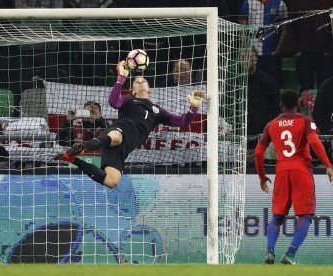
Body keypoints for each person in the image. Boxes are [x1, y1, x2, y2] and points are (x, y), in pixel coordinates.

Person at [54, 60, 203, 189]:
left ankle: (72, 159)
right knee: (117, 136)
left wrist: (194, 108)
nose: (139, 81)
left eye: (143, 80)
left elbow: (182, 121)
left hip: (122, 150)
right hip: (115, 133)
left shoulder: (157, 110)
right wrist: (121, 78)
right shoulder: (129, 100)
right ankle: (82, 148)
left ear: (150, 89)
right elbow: (113, 102)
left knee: (112, 182)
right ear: (133, 90)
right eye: (136, 81)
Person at [254, 89, 333, 265]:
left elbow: (258, 153)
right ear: (298, 103)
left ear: (281, 105)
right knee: (305, 215)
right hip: (301, 171)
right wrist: (328, 165)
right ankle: (290, 254)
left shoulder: (271, 125)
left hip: (282, 171)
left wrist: (262, 176)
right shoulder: (305, 120)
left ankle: (270, 252)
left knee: (277, 216)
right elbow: (314, 141)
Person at [239, 0, 288, 87]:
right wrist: (246, 48)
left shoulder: (280, 3)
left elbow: (284, 28)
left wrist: (278, 48)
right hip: (253, 54)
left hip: (272, 52)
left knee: (273, 83)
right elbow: (242, 28)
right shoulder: (248, 3)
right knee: (254, 83)